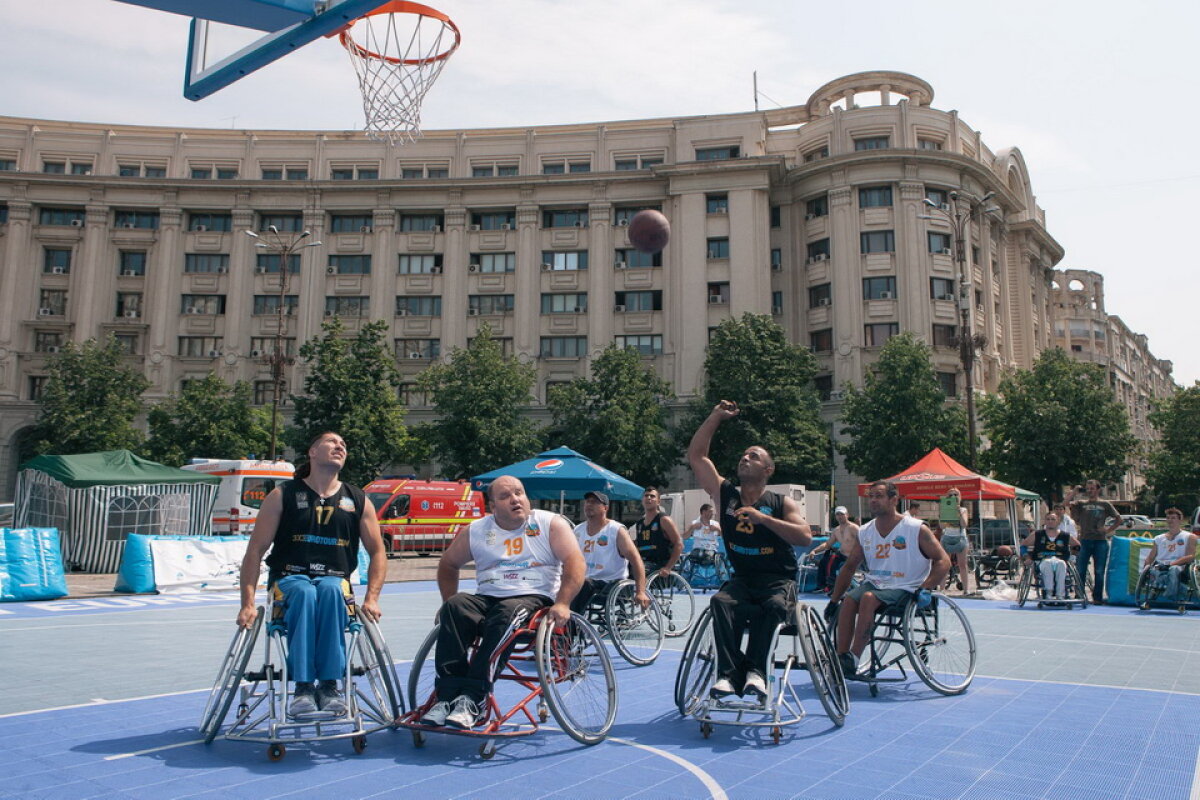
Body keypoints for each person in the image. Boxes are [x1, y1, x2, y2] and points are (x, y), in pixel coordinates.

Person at [237, 432, 386, 719]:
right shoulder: (283, 495)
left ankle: (329, 686)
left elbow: (378, 552)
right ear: (312, 452)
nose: (339, 446)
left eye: (343, 444)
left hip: (334, 578)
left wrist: (373, 598)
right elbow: (255, 551)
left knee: (330, 590)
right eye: (332, 442)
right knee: (305, 592)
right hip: (290, 577)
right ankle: (303, 687)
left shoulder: (357, 499)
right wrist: (246, 603)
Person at [421, 475, 584, 729]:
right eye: (505, 496)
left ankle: (475, 697)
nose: (515, 499)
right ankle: (447, 696)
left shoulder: (549, 523)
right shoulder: (477, 530)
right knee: (455, 607)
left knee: (508, 612)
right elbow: (448, 564)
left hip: (533, 598)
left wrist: (563, 603)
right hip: (488, 597)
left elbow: (575, 561)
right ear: (492, 506)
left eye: (519, 493)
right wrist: (446, 600)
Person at [687, 400, 813, 699]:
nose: (745, 458)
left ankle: (756, 671)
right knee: (720, 601)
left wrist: (764, 519)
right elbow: (696, 456)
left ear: (768, 469)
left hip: (777, 580)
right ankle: (729, 675)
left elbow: (805, 537)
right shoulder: (725, 493)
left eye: (753, 457)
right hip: (743, 579)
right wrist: (716, 417)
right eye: (743, 456)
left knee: (773, 607)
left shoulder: (781, 503)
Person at [829, 480, 950, 677]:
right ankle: (842, 657)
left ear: (894, 500)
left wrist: (926, 587)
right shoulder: (866, 531)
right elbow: (850, 566)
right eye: (871, 497)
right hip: (878, 582)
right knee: (849, 599)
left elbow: (943, 560)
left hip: (906, 585)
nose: (873, 500)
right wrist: (834, 600)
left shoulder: (915, 528)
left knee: (868, 598)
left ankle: (855, 657)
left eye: (879, 496)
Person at [569, 490, 650, 613]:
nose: (589, 505)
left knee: (583, 584)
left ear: (605, 508)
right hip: (585, 581)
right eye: (587, 502)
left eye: (595, 502)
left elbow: (636, 560)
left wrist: (640, 591)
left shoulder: (616, 530)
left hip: (610, 584)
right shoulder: (578, 530)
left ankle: (571, 626)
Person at [1069, 479, 1122, 604]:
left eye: (1092, 488)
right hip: (1085, 540)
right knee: (1080, 569)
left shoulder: (1105, 504)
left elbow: (1119, 519)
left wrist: (1108, 530)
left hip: (1100, 541)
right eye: (1088, 488)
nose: (1089, 491)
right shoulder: (1081, 503)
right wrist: (1074, 492)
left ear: (1098, 490)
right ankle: (1079, 595)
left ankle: (1097, 597)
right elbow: (1065, 503)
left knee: (1099, 570)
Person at [1141, 507, 1196, 607]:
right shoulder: (1159, 538)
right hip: (1160, 565)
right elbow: (1150, 557)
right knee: (1156, 571)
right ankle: (1181, 590)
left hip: (1179, 566)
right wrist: (1145, 569)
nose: (1170, 520)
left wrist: (1171, 564)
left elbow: (1190, 556)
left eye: (1173, 518)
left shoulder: (1189, 537)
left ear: (1180, 520)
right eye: (1168, 518)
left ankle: (1169, 592)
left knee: (1173, 570)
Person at [1020, 511, 1079, 599]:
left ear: (1057, 521)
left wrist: (1073, 557)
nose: (1050, 521)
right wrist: (1027, 557)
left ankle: (1060, 594)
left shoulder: (1065, 535)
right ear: (1045, 521)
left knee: (1061, 564)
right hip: (1041, 561)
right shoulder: (1038, 534)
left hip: (1060, 560)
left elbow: (1077, 545)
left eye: (1053, 519)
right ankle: (1048, 593)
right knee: (1047, 563)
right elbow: (1023, 546)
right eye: (1048, 519)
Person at [630, 487, 684, 578]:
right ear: (642, 500)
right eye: (646, 496)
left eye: (652, 496)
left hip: (660, 564)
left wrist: (668, 567)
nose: (649, 498)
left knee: (638, 569)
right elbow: (637, 544)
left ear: (658, 501)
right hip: (644, 562)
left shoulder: (664, 520)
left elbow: (679, 544)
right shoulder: (639, 524)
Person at [809, 506, 858, 593]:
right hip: (842, 556)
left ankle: (850, 590)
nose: (840, 516)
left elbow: (864, 541)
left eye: (842, 514)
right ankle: (824, 587)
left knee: (841, 571)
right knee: (825, 563)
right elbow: (827, 544)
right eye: (837, 514)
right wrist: (814, 551)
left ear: (847, 515)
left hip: (853, 557)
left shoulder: (853, 528)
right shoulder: (836, 530)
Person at [938, 489, 972, 595]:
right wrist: (943, 515)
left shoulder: (963, 509)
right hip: (947, 536)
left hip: (960, 537)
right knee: (945, 564)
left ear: (960, 497)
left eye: (956, 494)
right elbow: (942, 526)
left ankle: (966, 589)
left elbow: (964, 524)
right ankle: (942, 589)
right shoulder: (945, 508)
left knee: (962, 564)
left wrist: (958, 511)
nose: (953, 496)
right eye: (951, 494)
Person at [682, 503, 722, 567]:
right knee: (689, 558)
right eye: (710, 511)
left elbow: (724, 536)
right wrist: (692, 528)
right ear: (704, 512)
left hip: (711, 549)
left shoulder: (715, 524)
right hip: (697, 549)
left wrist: (717, 529)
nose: (712, 513)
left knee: (707, 557)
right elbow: (684, 537)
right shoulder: (694, 523)